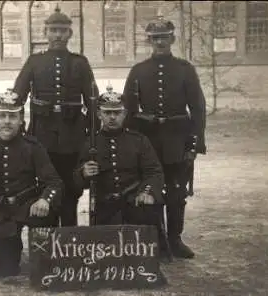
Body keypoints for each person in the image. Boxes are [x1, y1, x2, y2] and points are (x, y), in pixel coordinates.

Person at [122, 14, 206, 259]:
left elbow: (198, 108)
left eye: (164, 38)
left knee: (177, 193)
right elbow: (128, 109)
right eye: (155, 38)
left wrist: (194, 143)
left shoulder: (185, 69)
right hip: (147, 142)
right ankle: (155, 239)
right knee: (150, 189)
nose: (160, 43)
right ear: (149, 41)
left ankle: (175, 239)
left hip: (177, 140)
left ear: (173, 39)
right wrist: (131, 144)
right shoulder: (138, 71)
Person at [12, 5, 99, 227]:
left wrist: (93, 137)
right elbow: (16, 99)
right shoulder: (34, 62)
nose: (58, 35)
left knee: (71, 187)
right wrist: (19, 134)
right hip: (42, 137)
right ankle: (46, 234)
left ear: (70, 33)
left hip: (73, 137)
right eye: (53, 30)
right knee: (44, 184)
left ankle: (69, 236)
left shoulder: (80, 62)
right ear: (45, 33)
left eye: (62, 30)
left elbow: (93, 102)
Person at [0, 89, 63, 280]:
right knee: (6, 270)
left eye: (12, 116)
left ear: (21, 119)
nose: (7, 121)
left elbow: (54, 182)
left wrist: (44, 200)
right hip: (2, 212)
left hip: (29, 206)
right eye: (2, 116)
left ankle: (40, 249)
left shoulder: (33, 146)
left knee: (45, 266)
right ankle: (12, 248)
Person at [73, 86, 165, 231]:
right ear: (99, 114)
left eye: (117, 112)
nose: (112, 117)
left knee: (147, 233)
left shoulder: (139, 141)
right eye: (107, 112)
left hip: (135, 202)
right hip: (105, 207)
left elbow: (154, 172)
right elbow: (76, 181)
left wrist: (147, 192)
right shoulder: (90, 143)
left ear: (125, 114)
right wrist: (83, 173)